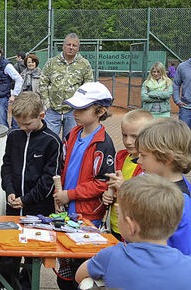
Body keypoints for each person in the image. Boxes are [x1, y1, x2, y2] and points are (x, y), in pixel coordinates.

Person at [75, 174, 191, 290]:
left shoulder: (110, 256)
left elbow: (79, 276)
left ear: (130, 225)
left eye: (119, 214)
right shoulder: (187, 266)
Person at [53, 82, 116, 289]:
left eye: (82, 108)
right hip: (66, 211)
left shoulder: (104, 144)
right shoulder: (72, 134)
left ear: (100, 111)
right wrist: (60, 195)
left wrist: (70, 194)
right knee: (64, 269)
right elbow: (63, 167)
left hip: (88, 216)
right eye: (75, 108)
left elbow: (101, 183)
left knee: (83, 271)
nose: (76, 113)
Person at [0, 91, 62, 290]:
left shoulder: (52, 141)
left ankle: (26, 285)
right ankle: (4, 283)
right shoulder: (14, 136)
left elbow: (48, 180)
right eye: (18, 123)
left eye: (27, 124)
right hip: (13, 205)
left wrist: (26, 200)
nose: (22, 128)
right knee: (8, 249)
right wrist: (9, 190)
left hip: (38, 208)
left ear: (41, 116)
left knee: (32, 253)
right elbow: (6, 166)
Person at [135, 118, 191, 255]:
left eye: (143, 156)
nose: (138, 161)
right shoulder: (158, 185)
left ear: (167, 158)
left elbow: (184, 251)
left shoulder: (181, 200)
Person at [101, 109, 153, 240]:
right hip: (114, 223)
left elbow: (146, 200)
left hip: (134, 230)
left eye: (134, 136)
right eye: (124, 135)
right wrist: (108, 194)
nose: (128, 141)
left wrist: (123, 187)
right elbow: (113, 184)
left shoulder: (150, 166)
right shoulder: (121, 156)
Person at [39, 33, 94, 139]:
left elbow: (88, 87)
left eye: (74, 45)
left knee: (71, 141)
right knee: (48, 140)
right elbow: (43, 82)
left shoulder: (84, 64)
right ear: (63, 45)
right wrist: (47, 104)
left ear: (78, 48)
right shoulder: (52, 62)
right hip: (52, 110)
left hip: (73, 112)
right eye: (68, 44)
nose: (71, 47)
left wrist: (80, 107)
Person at [173, 58, 191, 128]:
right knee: (184, 134)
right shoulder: (182, 66)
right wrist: (177, 100)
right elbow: (176, 84)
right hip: (186, 107)